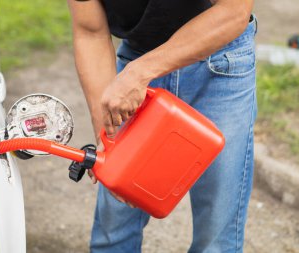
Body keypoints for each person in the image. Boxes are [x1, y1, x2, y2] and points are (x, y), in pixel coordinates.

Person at [67, 0, 257, 252]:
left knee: (217, 237)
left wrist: (140, 72)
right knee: (114, 229)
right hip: (136, 65)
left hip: (219, 62)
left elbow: (233, 12)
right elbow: (90, 32)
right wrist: (106, 129)